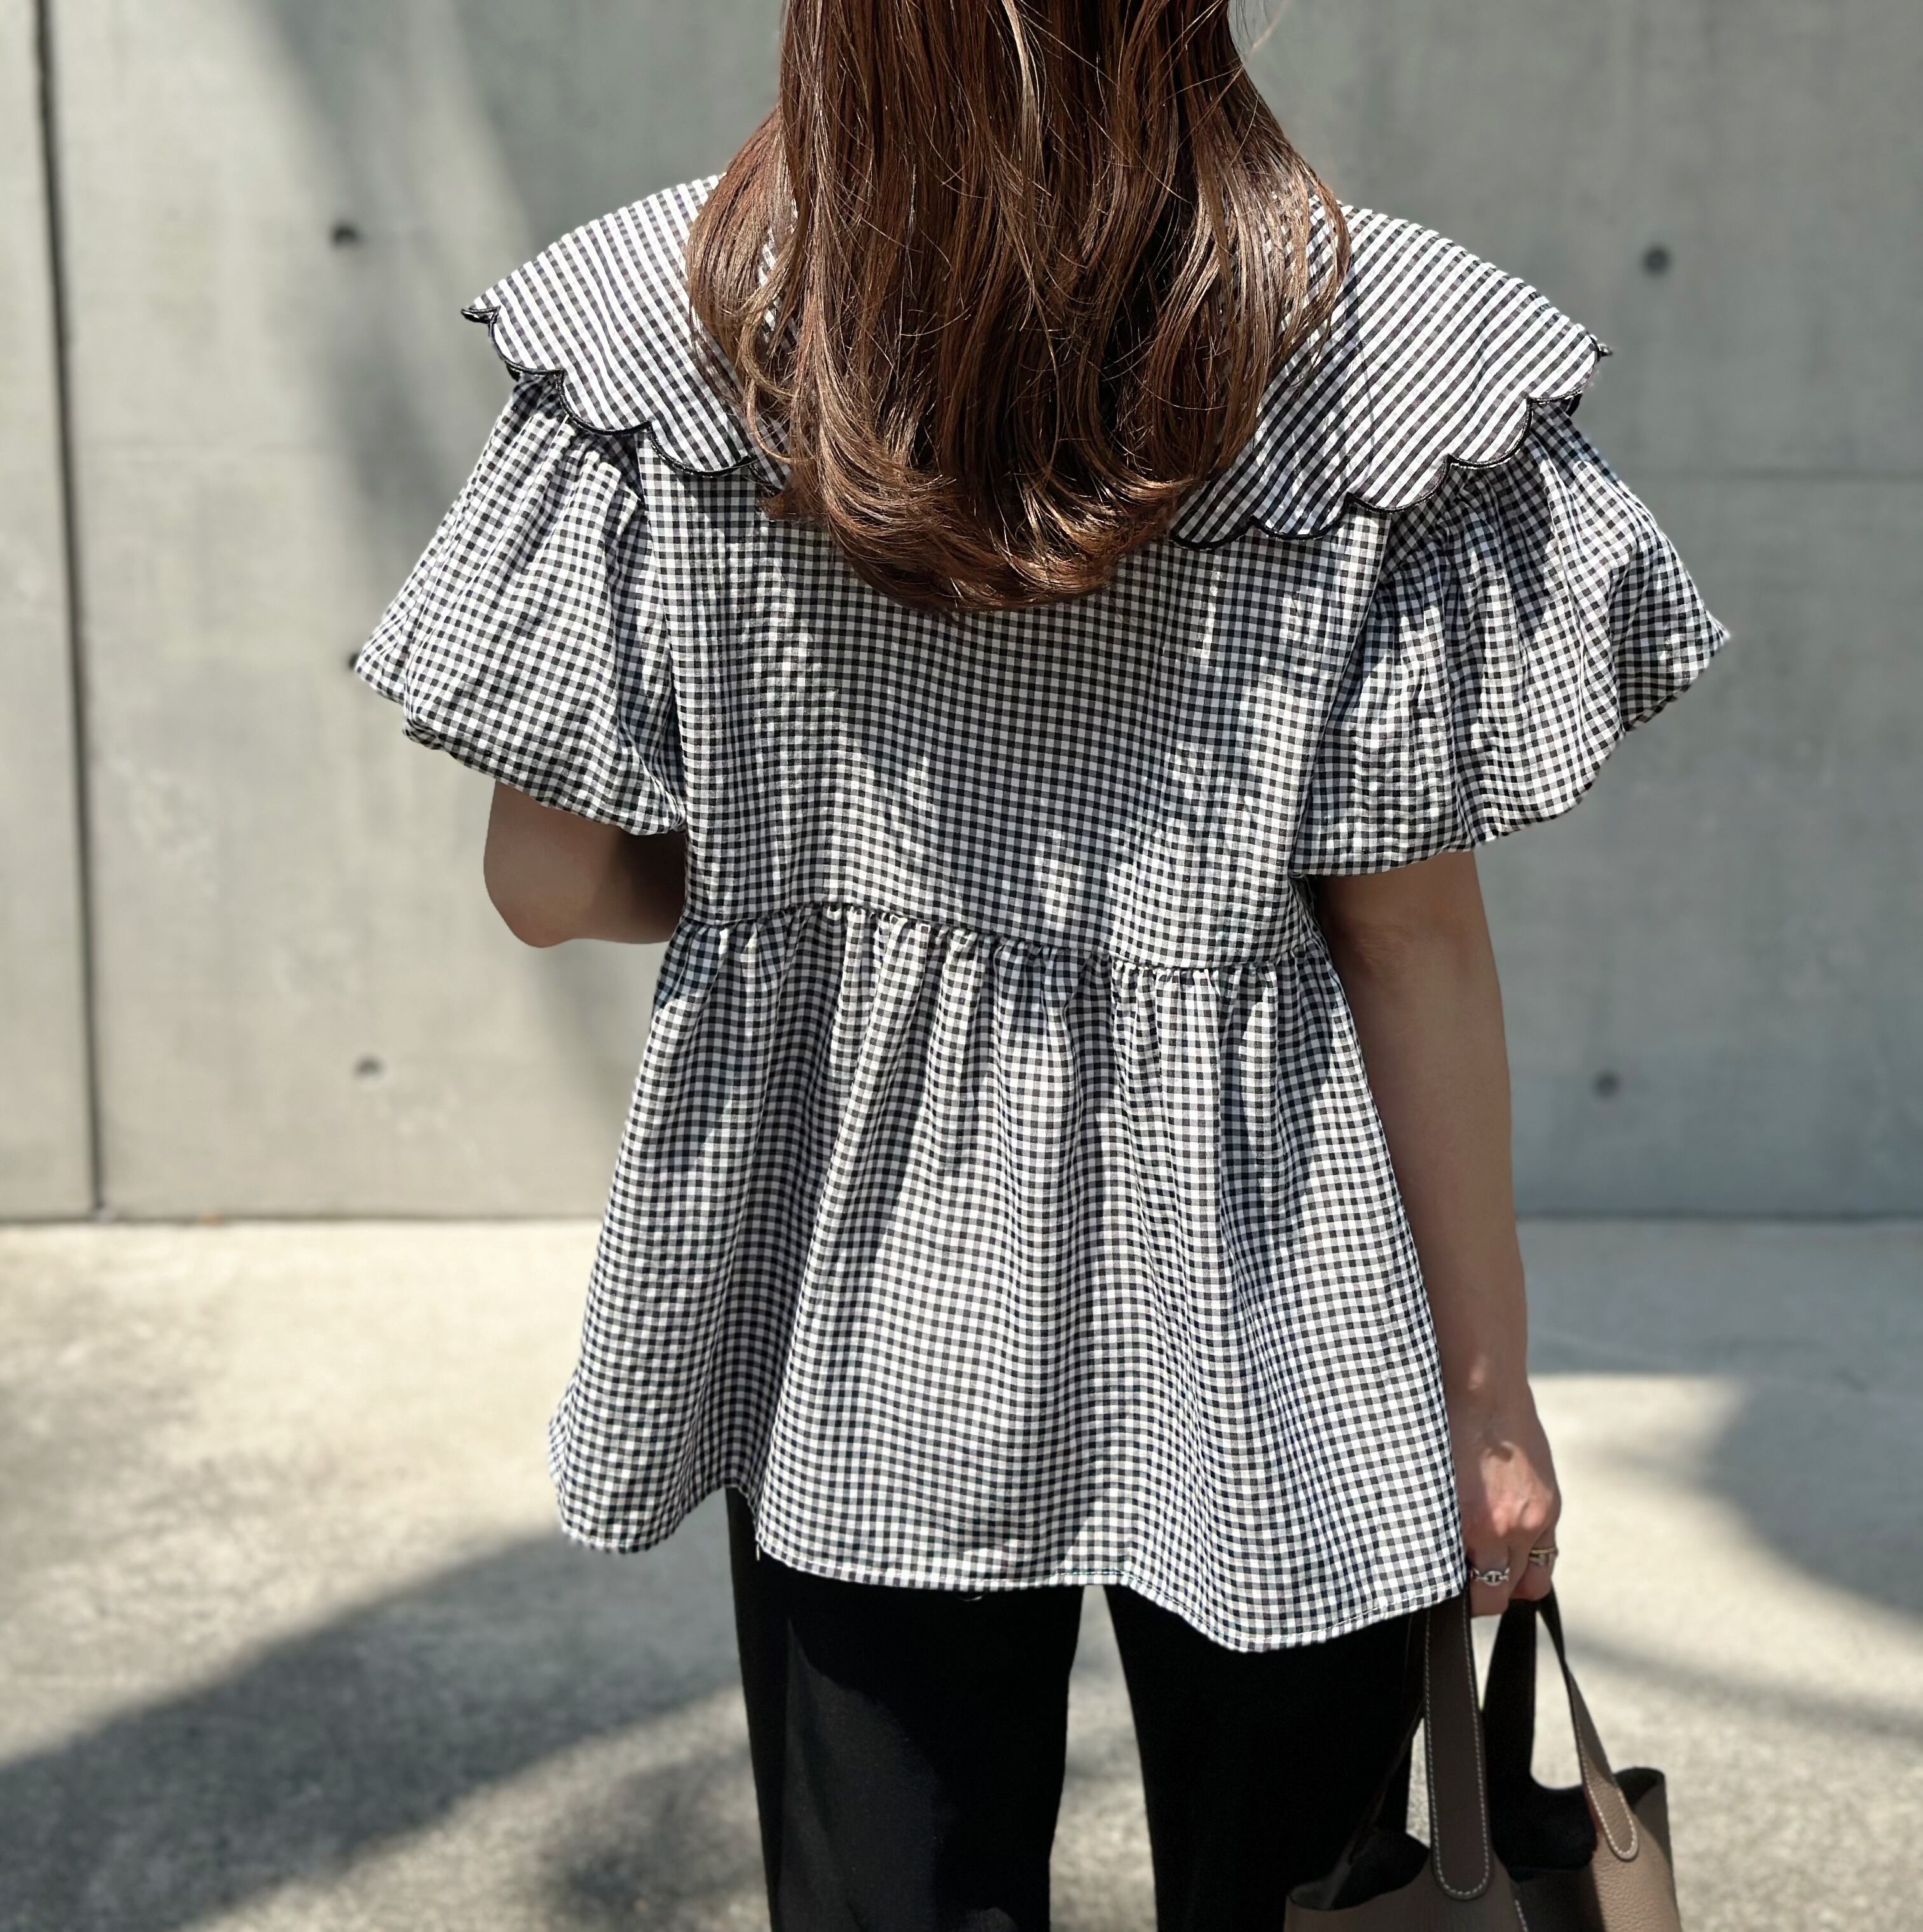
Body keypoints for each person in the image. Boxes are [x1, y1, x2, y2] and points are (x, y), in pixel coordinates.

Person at [357, 4, 1727, 1926]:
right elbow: (1412, 940)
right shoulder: (1395, 351)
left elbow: (546, 881)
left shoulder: (657, 322)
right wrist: (1487, 1399)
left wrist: (799, 876)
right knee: (1311, 1891)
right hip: (1272, 1276)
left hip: (848, 1266)